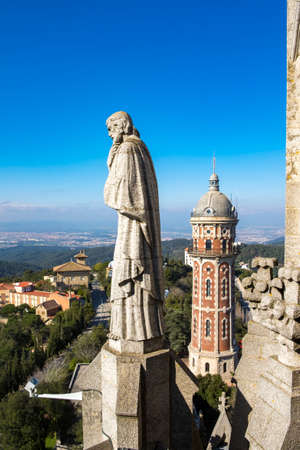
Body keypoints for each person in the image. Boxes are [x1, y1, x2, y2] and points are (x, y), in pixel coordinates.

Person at [104, 111, 164, 341]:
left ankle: (131, 332)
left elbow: (121, 191)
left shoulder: (129, 149)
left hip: (132, 224)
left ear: (122, 126)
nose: (110, 134)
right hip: (136, 222)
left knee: (130, 270)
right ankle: (142, 329)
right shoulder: (140, 147)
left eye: (111, 129)